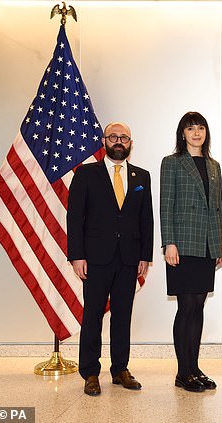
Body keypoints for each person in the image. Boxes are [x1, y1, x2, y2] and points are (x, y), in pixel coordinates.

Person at [67, 122, 153, 396]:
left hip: (129, 259)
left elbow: (146, 219)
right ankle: (90, 372)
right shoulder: (86, 174)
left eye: (124, 137)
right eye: (113, 137)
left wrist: (145, 256)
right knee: (92, 316)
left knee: (122, 316)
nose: (119, 141)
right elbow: (75, 217)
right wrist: (77, 255)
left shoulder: (142, 177)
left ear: (130, 143)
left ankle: (120, 370)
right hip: (95, 258)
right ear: (104, 141)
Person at [160, 112, 222, 393]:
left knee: (198, 307)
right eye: (191, 129)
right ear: (182, 133)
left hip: (206, 245)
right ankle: (182, 372)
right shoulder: (172, 163)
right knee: (185, 308)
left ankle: (195, 367)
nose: (196, 133)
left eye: (200, 128)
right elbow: (166, 204)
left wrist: (221, 242)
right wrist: (169, 242)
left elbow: (218, 206)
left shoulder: (213, 165)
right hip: (182, 244)